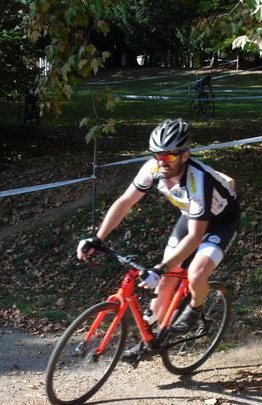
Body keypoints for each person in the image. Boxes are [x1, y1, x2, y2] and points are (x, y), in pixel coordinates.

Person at [76, 118, 239, 361]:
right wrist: (97, 238)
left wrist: (161, 268)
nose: (162, 162)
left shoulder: (198, 180)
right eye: (157, 155)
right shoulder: (152, 168)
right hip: (191, 218)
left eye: (170, 156)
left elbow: (196, 236)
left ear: (185, 155)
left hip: (221, 223)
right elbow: (125, 202)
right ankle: (154, 340)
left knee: (195, 273)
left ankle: (195, 309)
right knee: (164, 285)